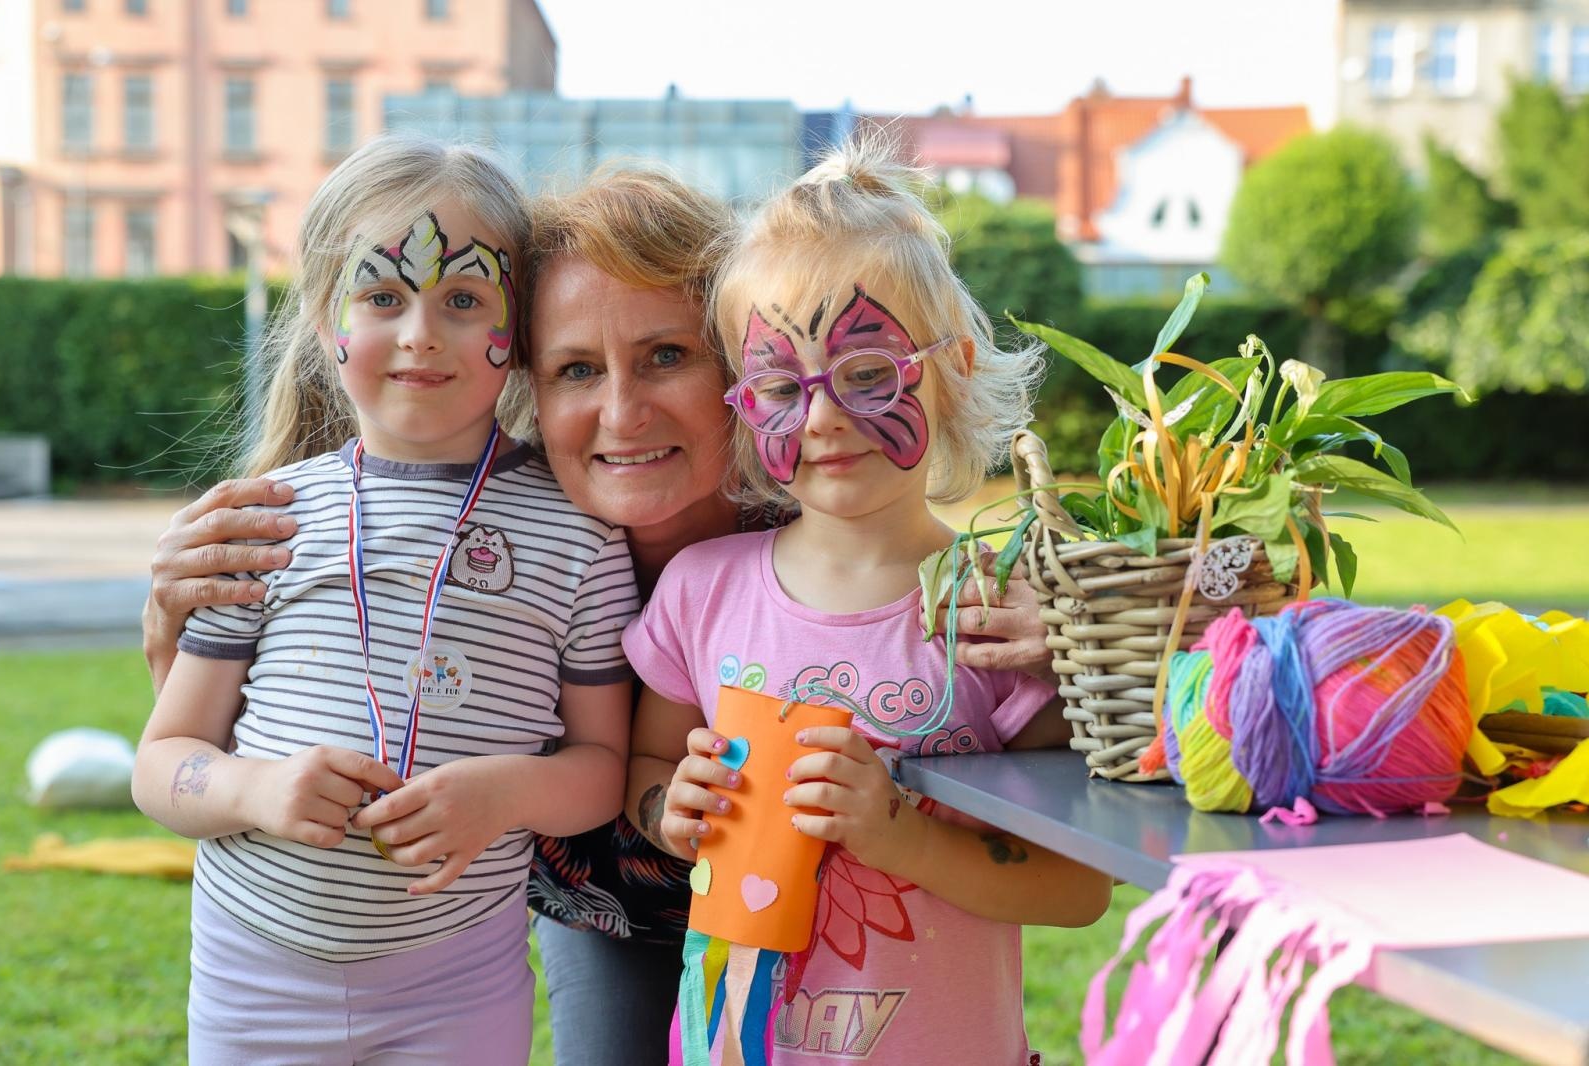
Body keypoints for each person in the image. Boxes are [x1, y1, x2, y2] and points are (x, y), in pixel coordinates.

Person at [141, 165, 1066, 1066]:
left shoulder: (842, 520)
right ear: (527, 385)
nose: (622, 412)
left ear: (740, 369)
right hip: (606, 909)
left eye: (667, 355)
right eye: (576, 368)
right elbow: (241, 727)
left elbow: (1148, 650)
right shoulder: (489, 539)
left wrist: (1094, 620)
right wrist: (180, 632)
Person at [130, 134, 638, 1064]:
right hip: (254, 978)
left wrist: (508, 791)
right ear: (327, 321)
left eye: (463, 298)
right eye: (381, 296)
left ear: (515, 329)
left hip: (458, 981)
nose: (419, 332)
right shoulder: (266, 521)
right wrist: (256, 787)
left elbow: (604, 763)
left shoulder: (581, 535)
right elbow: (163, 763)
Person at [623, 141, 1113, 1064]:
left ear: (954, 368)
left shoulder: (1001, 615)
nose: (820, 417)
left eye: (868, 374)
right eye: (778, 386)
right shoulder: (702, 590)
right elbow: (650, 762)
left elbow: (1076, 888)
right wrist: (667, 810)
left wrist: (898, 835)